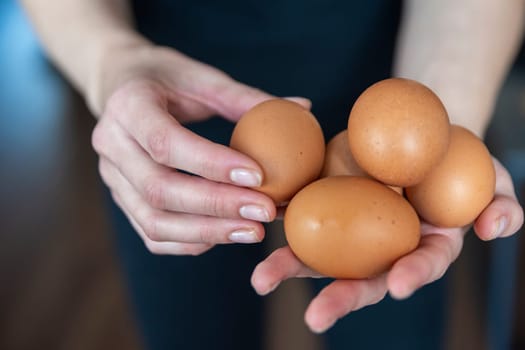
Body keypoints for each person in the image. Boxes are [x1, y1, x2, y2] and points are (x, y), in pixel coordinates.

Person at [21, 0, 524, 349]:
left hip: (395, 73)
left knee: (392, 326)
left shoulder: (404, 174)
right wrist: (112, 61)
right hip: (175, 114)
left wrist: (443, 118)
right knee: (192, 332)